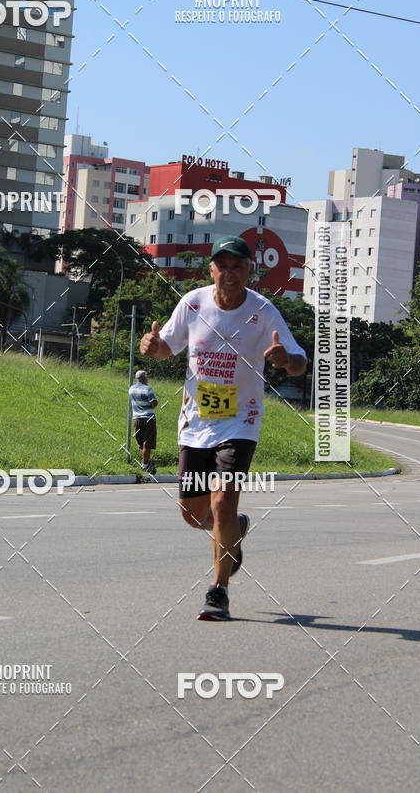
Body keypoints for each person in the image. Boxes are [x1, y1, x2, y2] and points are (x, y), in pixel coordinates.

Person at [139, 235, 306, 620]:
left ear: (250, 271)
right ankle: (234, 530)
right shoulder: (193, 303)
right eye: (222, 266)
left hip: (240, 421)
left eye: (238, 267)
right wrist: (153, 346)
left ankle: (219, 591)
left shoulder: (263, 312)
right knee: (194, 515)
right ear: (211, 270)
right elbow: (167, 346)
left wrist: (285, 360)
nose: (229, 274)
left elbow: (298, 361)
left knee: (222, 501)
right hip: (196, 423)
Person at [128, 369, 158, 472]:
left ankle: (147, 462)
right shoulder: (148, 389)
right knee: (147, 443)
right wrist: (152, 403)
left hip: (136, 418)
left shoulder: (131, 389)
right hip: (148, 418)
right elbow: (154, 403)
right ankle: (145, 464)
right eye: (147, 377)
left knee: (140, 443)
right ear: (144, 378)